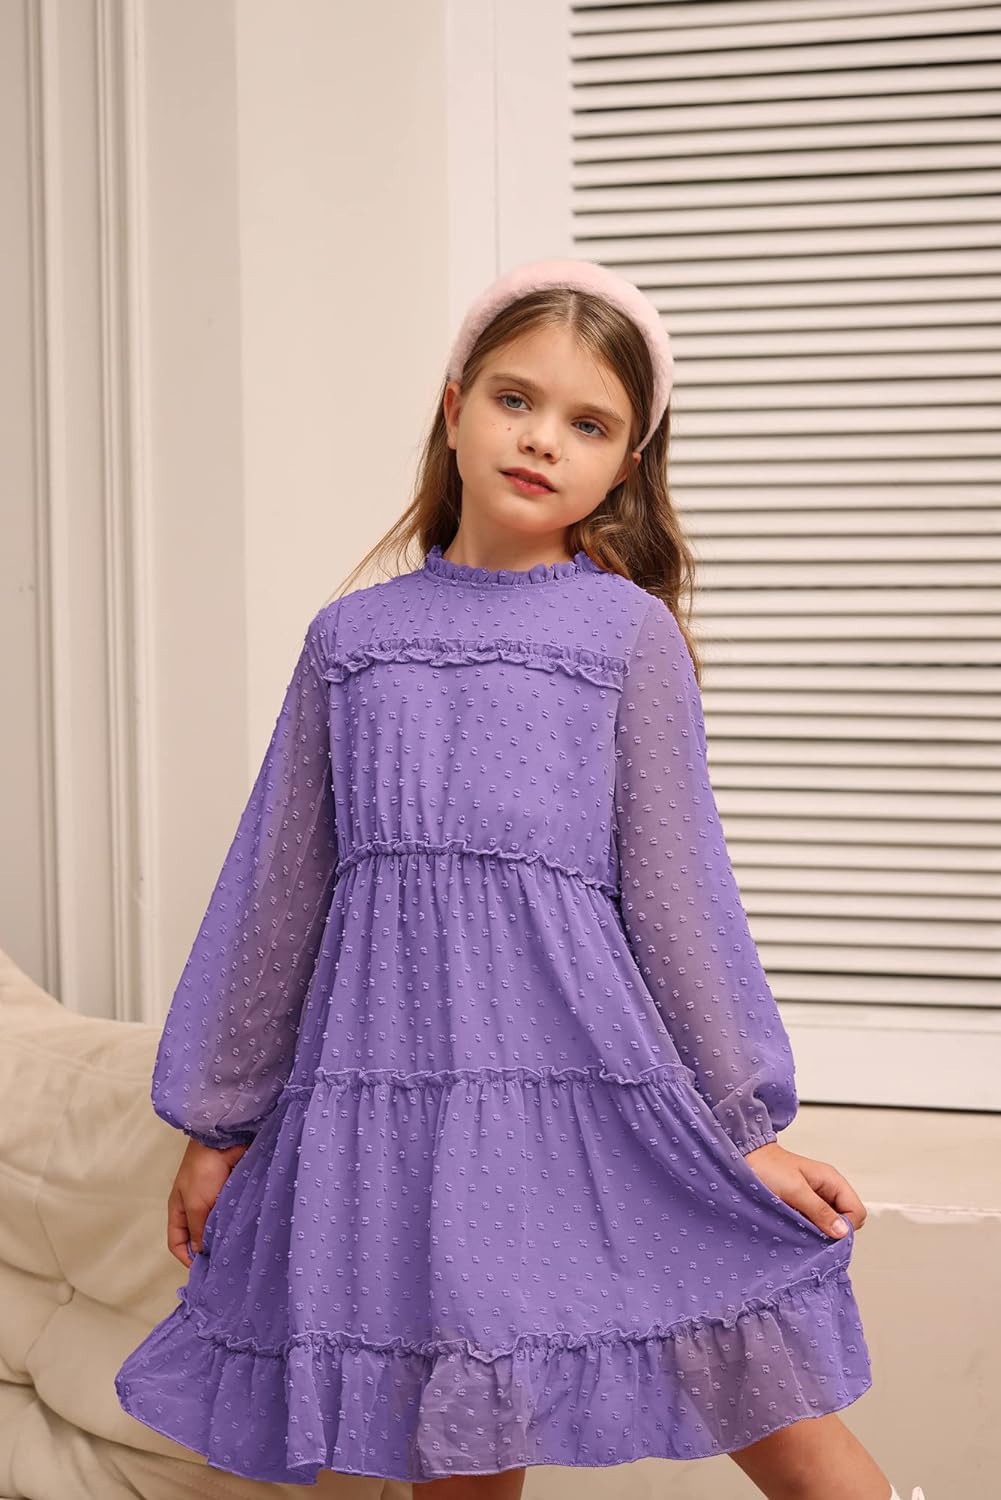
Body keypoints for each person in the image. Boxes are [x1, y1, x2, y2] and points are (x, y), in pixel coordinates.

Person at [114, 258, 925, 1500]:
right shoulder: (350, 643)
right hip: (398, 1113)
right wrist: (216, 1124)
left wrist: (741, 1130)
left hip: (585, 1099)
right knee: (458, 1436)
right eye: (513, 400)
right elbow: (276, 892)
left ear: (625, 466)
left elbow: (680, 897)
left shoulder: (624, 636)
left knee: (775, 1413)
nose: (542, 438)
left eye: (587, 424)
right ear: (453, 410)